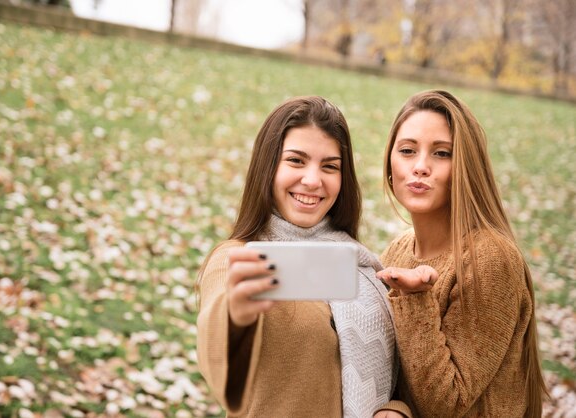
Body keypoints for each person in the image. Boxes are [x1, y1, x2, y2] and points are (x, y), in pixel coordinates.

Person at [196, 96, 410, 417]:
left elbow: (397, 377)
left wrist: (396, 411)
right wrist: (236, 318)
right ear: (268, 168)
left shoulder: (360, 265)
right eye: (296, 161)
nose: (312, 180)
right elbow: (223, 373)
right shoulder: (238, 260)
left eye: (329, 166)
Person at [374, 89, 547, 417]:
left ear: (466, 166)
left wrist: (414, 298)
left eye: (442, 153)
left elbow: (447, 403)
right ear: (389, 163)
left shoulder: (490, 260)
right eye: (407, 150)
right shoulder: (396, 252)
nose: (421, 167)